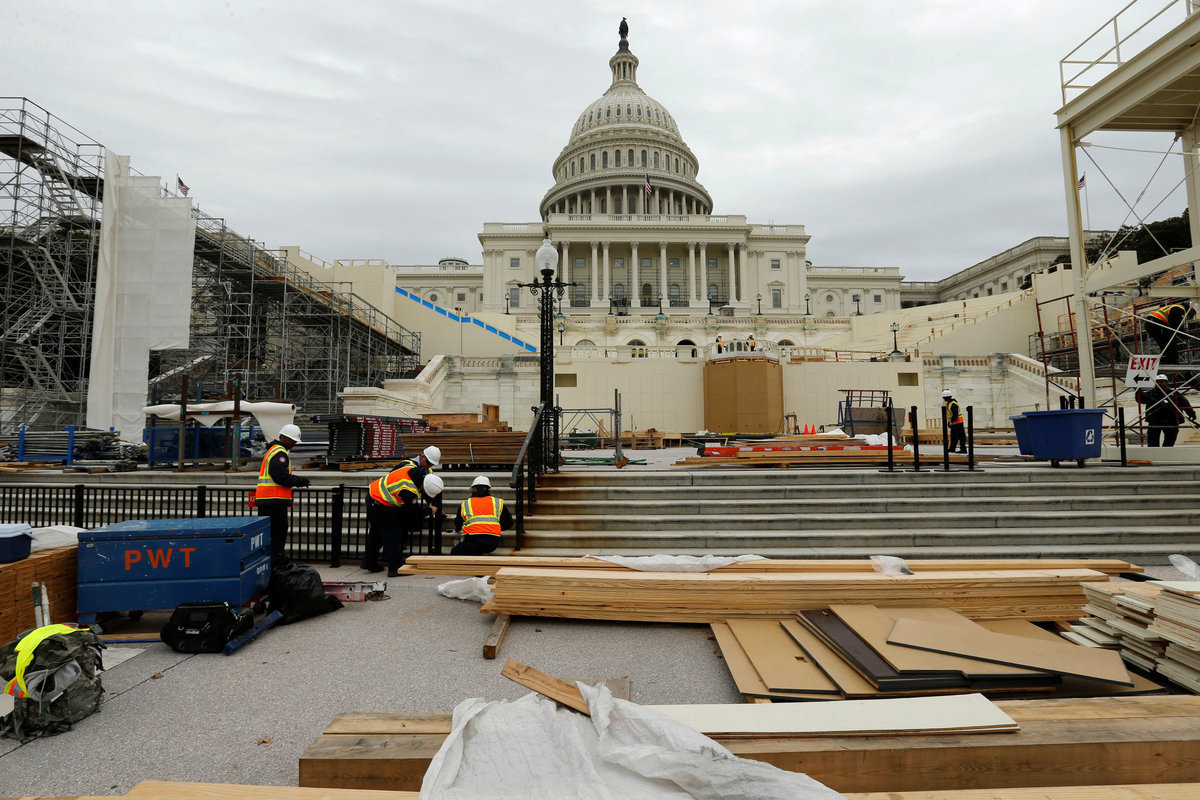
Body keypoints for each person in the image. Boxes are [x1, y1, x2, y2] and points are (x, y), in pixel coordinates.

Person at [362, 461, 443, 576]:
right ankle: (395, 568)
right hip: (379, 502)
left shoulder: (413, 469)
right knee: (393, 533)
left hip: (373, 496)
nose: (423, 493)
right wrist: (430, 510)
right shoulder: (409, 490)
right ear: (423, 485)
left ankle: (369, 561)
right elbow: (413, 512)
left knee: (376, 533)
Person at [255, 423, 311, 569]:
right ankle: (276, 565)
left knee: (272, 535)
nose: (293, 444)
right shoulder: (280, 453)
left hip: (268, 500)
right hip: (274, 501)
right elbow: (280, 476)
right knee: (277, 535)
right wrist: (299, 481)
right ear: (285, 438)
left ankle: (273, 563)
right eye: (293, 441)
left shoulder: (273, 450)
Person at [452, 475, 513, 556]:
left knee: (455, 552)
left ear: (474, 489)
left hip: (473, 542)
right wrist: (494, 528)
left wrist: (458, 528)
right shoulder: (497, 502)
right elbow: (509, 523)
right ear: (488, 489)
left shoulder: (466, 504)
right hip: (493, 542)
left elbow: (458, 524)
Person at [1136, 373, 1197, 447]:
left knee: (1169, 443)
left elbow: (1185, 403)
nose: (1159, 383)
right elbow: (1140, 399)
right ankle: (1154, 456)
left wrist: (1191, 413)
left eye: (1161, 381)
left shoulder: (1174, 394)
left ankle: (1166, 455)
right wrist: (1137, 390)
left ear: (1166, 383)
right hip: (1155, 420)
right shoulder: (1150, 394)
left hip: (1171, 420)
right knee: (1152, 443)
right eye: (1157, 382)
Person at [942, 390, 967, 454]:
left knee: (961, 437)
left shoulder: (953, 404)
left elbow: (955, 414)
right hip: (954, 423)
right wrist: (949, 422)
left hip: (958, 423)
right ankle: (952, 448)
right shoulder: (949, 403)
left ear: (946, 397)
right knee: (953, 436)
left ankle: (963, 449)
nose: (944, 399)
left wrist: (951, 422)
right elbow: (950, 415)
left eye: (944, 398)